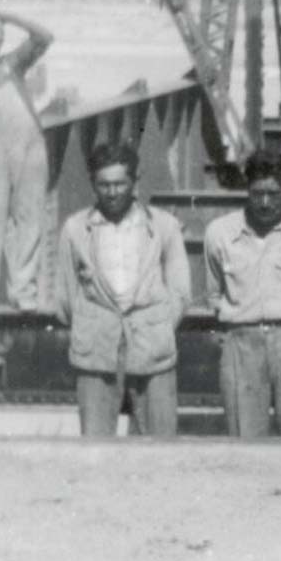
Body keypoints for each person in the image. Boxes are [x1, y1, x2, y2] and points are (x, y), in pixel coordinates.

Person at [53, 142, 191, 436]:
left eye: (119, 183)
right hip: (96, 351)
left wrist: (157, 327)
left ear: (134, 182)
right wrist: (92, 326)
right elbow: (65, 297)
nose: (112, 192)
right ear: (93, 184)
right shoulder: (75, 229)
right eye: (104, 184)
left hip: (153, 350)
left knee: (159, 446)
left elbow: (180, 292)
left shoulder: (164, 226)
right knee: (95, 449)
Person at [204, 150, 281, 437]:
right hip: (241, 343)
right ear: (247, 190)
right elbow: (214, 294)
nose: (264, 203)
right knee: (244, 445)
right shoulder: (219, 233)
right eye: (257, 193)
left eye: (273, 193)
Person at [0, 7, 54, 312]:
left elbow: (44, 36)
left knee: (30, 220)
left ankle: (24, 291)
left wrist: (6, 13)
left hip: (29, 148)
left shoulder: (12, 65)